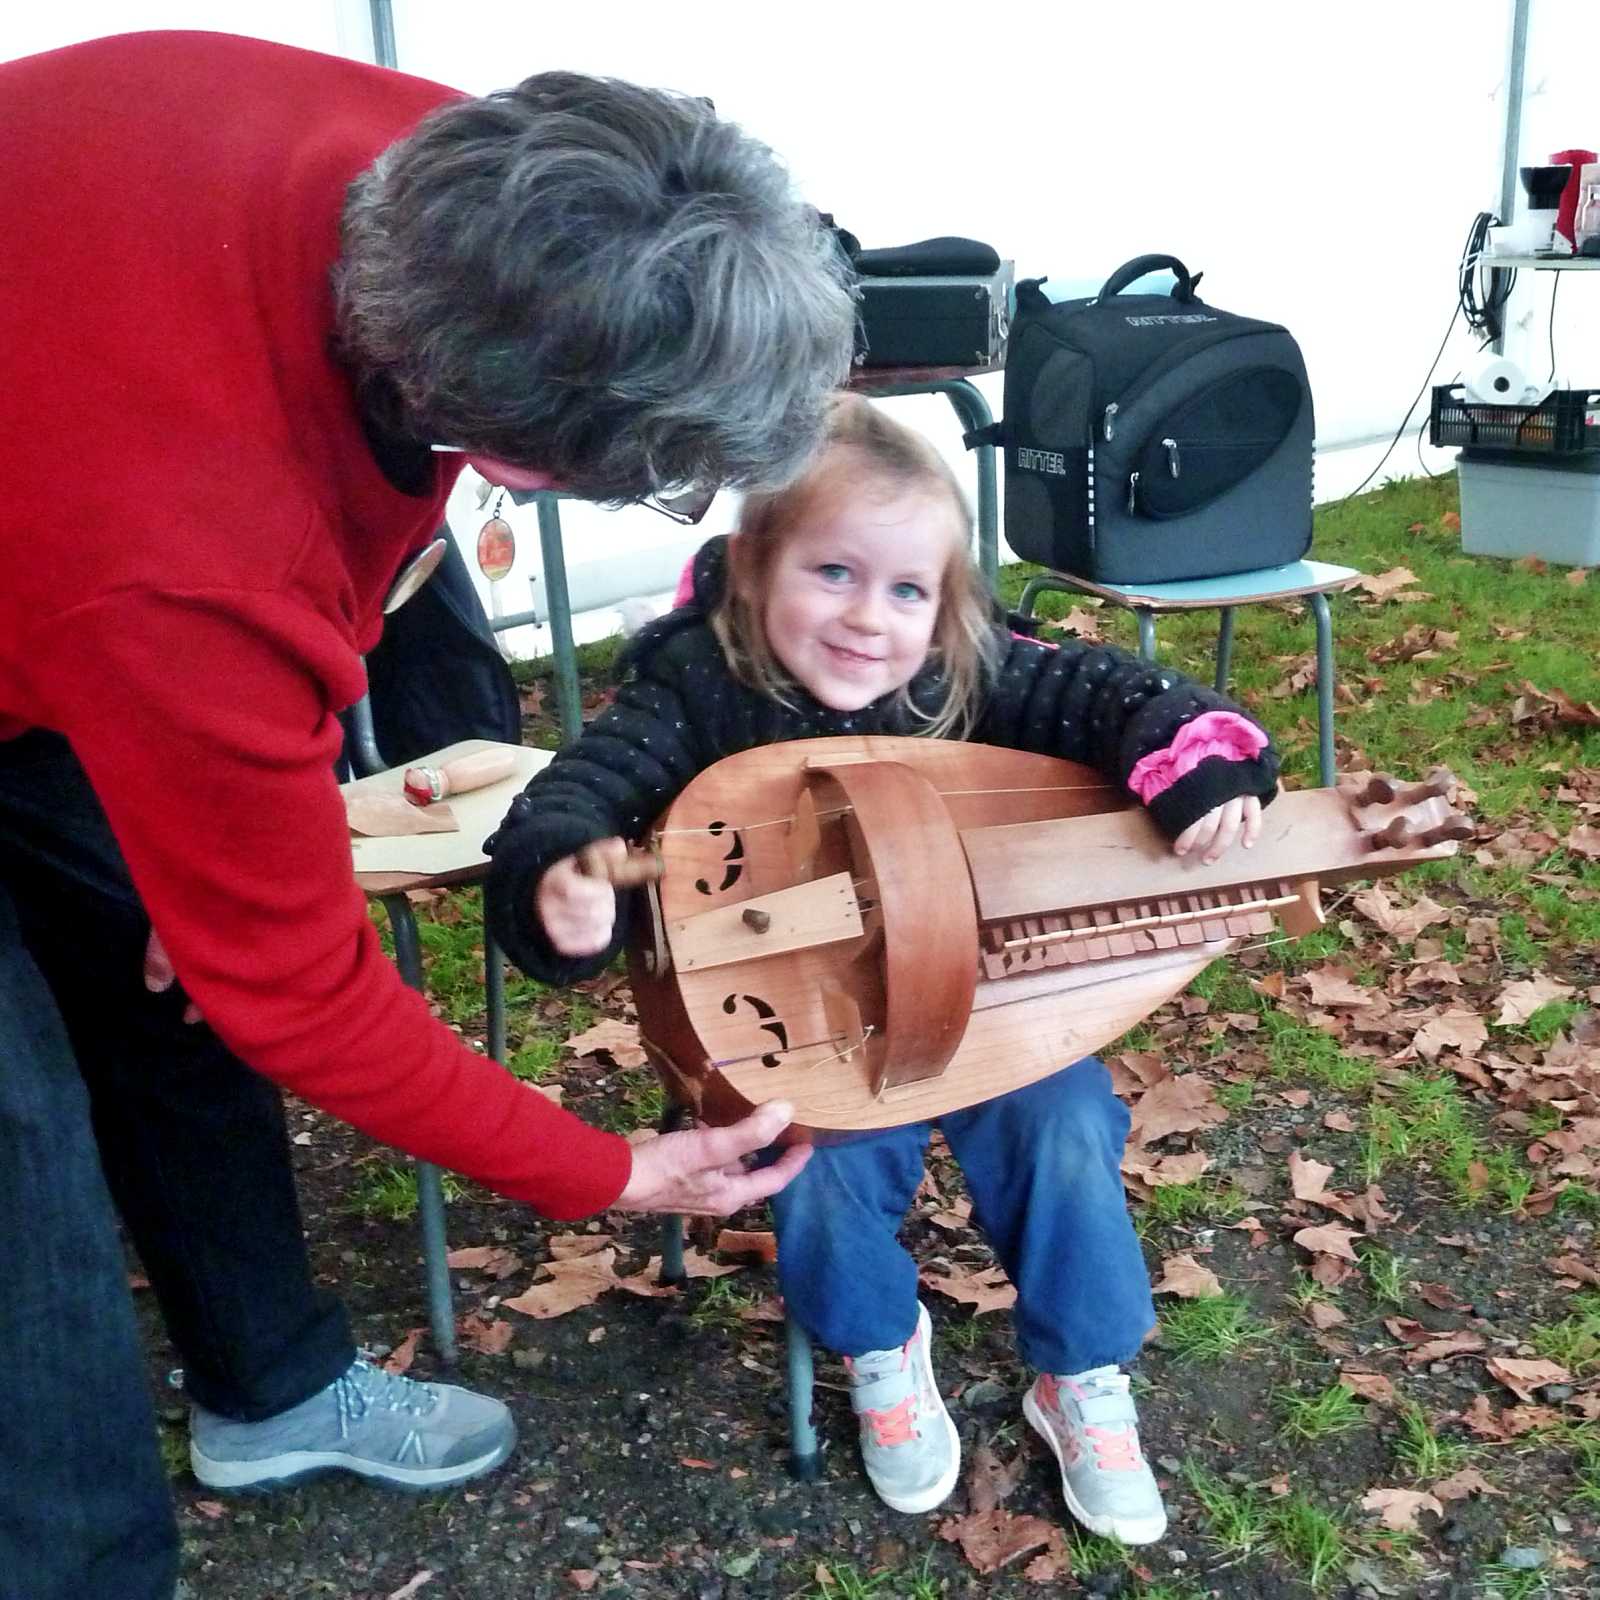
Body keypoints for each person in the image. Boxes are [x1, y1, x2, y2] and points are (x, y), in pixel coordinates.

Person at [1, 30, 855, 1600]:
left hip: (51, 528)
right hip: (86, 533)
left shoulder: (491, 177)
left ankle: (270, 1389)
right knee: (21, 1164)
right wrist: (611, 1173)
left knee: (163, 974)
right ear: (514, 452)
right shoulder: (194, 559)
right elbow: (305, 999)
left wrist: (231, 874)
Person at [483, 396, 1280, 1545]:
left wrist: (1187, 753)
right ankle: (879, 1344)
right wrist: (564, 876)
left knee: (1064, 1119)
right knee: (807, 1159)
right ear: (753, 569)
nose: (870, 618)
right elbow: (581, 788)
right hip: (803, 1023)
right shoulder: (698, 685)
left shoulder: (962, 674)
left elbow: (1108, 692)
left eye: (909, 590)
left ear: (945, 604)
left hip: (982, 995)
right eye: (833, 573)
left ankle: (1081, 1372)